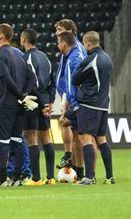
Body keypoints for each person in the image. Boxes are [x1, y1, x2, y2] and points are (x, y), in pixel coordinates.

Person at [0, 23, 38, 187]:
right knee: (16, 140)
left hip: (5, 104)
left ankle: (2, 179)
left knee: (1, 142)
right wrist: (24, 96)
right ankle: (17, 178)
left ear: (1, 36)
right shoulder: (19, 55)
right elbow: (32, 79)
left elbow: (6, 78)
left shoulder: (0, 55)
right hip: (19, 106)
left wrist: (21, 95)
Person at [72, 31, 115, 185]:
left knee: (85, 138)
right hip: (103, 105)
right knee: (101, 139)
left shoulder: (92, 59)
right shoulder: (108, 58)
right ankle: (110, 177)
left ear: (87, 43)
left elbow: (75, 78)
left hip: (89, 104)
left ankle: (89, 177)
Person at [20, 29, 57, 186]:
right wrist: (49, 102)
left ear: (24, 40)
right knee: (46, 138)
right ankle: (51, 177)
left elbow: (32, 83)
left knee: (31, 138)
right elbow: (52, 82)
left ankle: (36, 178)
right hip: (45, 100)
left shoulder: (26, 58)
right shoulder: (44, 57)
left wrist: (41, 104)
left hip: (33, 102)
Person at [54, 19, 87, 174]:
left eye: (59, 29)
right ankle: (75, 164)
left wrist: (74, 99)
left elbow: (80, 78)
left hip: (75, 98)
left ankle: (81, 168)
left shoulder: (77, 51)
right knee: (73, 131)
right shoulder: (68, 51)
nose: (57, 33)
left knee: (84, 136)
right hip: (68, 95)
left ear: (69, 32)